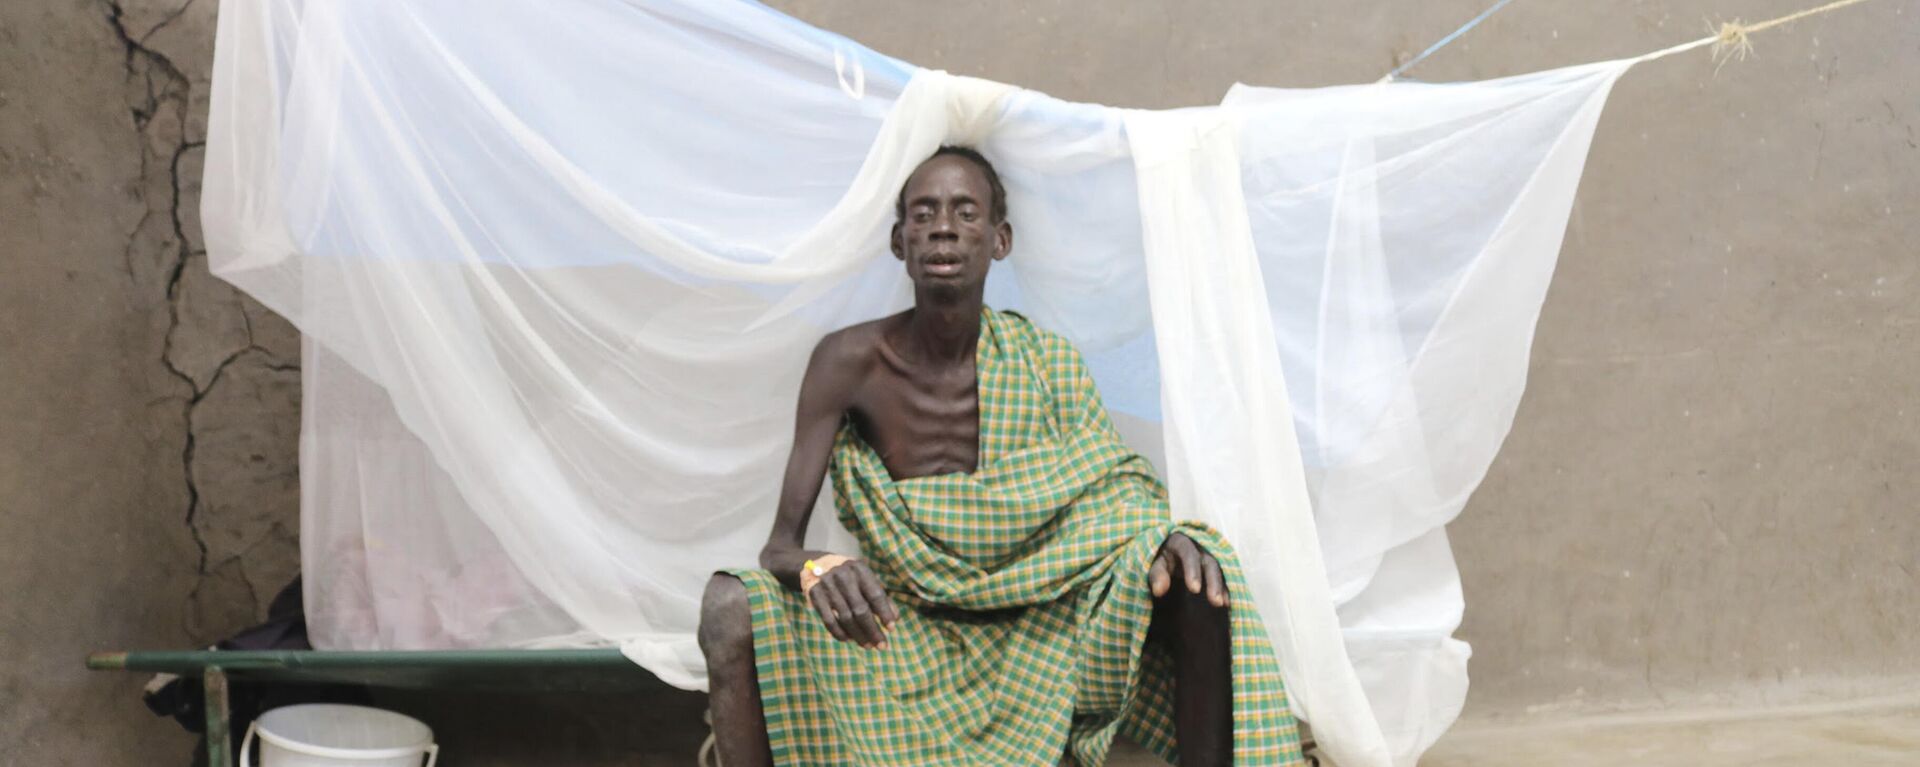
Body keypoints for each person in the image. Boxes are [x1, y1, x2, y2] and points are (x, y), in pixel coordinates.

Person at [698, 146, 1304, 766]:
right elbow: (778, 547)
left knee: (1200, 574)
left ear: (999, 240)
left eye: (965, 213)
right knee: (729, 604)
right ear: (899, 241)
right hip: (902, 632)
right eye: (923, 213)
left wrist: (1165, 537)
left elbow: (1113, 499)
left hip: (1042, 634)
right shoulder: (848, 361)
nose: (942, 227)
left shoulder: (1045, 362)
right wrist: (816, 566)